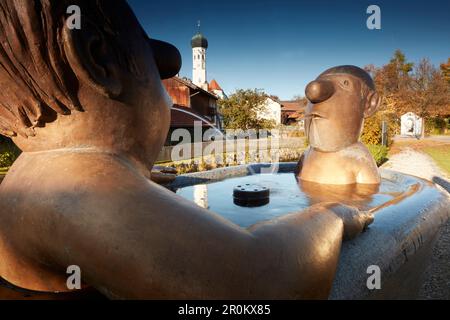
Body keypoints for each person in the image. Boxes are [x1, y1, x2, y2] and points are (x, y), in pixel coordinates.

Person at [0, 0, 372, 299]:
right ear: (97, 61)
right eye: (154, 73)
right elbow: (260, 281)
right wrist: (332, 216)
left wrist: (137, 178)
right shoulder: (77, 192)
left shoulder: (35, 172)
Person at [297, 65, 382, 185]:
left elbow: (367, 195)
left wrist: (331, 204)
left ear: (370, 104)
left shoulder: (358, 159)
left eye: (345, 84)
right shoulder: (306, 156)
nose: (315, 91)